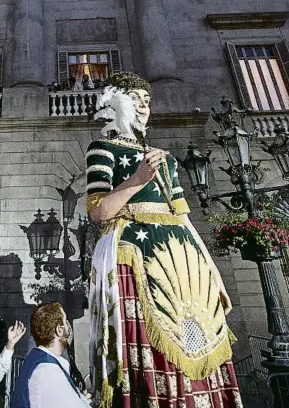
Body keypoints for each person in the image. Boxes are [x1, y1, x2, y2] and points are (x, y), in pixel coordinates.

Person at [87, 72, 242, 406]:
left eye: (147, 101)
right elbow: (99, 212)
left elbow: (183, 219)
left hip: (185, 263)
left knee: (198, 337)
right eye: (135, 100)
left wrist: (214, 272)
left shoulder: (167, 158)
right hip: (135, 256)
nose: (143, 107)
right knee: (151, 346)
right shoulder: (102, 149)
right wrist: (138, 179)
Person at [10, 302, 90, 408]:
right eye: (66, 322)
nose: (69, 327)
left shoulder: (37, 357)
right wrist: (83, 400)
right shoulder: (47, 369)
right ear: (59, 330)